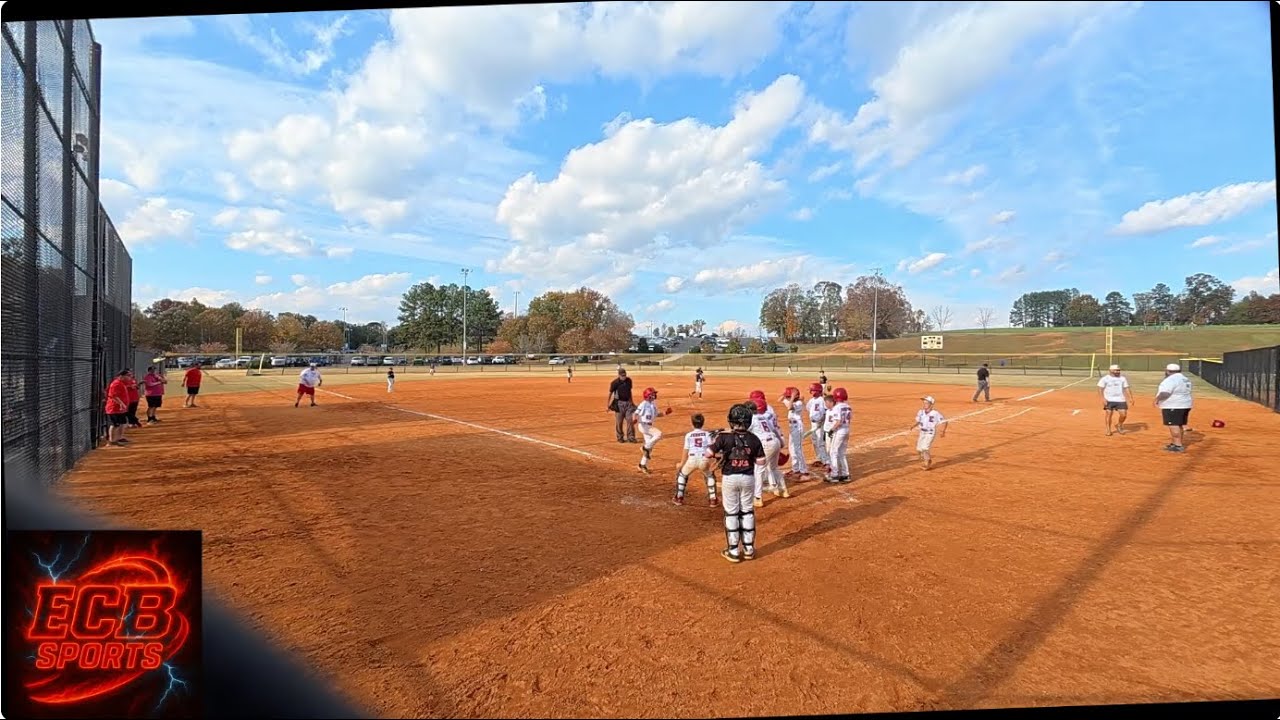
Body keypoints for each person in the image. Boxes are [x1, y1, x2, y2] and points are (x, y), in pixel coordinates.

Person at [709, 403, 767, 563]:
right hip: (748, 478)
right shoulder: (754, 438)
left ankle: (734, 550)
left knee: (732, 512)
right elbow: (761, 462)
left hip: (730, 478)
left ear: (730, 420)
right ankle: (749, 549)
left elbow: (708, 453)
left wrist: (718, 444)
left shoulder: (723, 437)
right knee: (747, 511)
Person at [748, 391, 786, 505]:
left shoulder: (753, 419)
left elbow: (744, 431)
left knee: (758, 470)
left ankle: (757, 498)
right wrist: (781, 441)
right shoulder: (764, 417)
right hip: (775, 441)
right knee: (774, 468)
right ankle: (783, 490)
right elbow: (774, 430)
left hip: (765, 444)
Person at [672, 413, 717, 506]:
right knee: (709, 476)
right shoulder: (708, 434)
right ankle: (713, 499)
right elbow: (712, 448)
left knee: (682, 475)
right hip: (704, 459)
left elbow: (686, 450)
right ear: (703, 423)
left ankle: (679, 497)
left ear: (692, 423)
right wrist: (713, 461)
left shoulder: (688, 435)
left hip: (692, 459)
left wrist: (681, 463)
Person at [1154, 363, 1193, 453]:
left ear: (1167, 371)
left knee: (1173, 425)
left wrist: (1157, 399)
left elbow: (1165, 393)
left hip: (1173, 405)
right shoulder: (1185, 379)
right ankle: (1176, 443)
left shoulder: (1170, 380)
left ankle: (1178, 445)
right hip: (1185, 404)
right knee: (1179, 424)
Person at [632, 387, 670, 473]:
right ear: (648, 395)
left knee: (650, 448)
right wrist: (634, 419)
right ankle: (644, 447)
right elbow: (636, 413)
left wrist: (665, 413)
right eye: (652, 394)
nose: (654, 395)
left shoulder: (653, 404)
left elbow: (657, 415)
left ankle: (642, 465)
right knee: (659, 434)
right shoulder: (644, 404)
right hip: (643, 426)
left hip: (649, 426)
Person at [780, 387, 811, 482]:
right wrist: (788, 395)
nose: (788, 398)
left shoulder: (799, 403)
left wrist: (793, 396)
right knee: (791, 448)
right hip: (792, 428)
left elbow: (790, 407)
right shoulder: (792, 401)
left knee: (798, 449)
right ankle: (796, 469)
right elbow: (780, 399)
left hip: (798, 427)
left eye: (789, 396)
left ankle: (804, 472)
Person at [1097, 364, 1134, 436]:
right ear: (1111, 371)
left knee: (1123, 415)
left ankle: (1119, 425)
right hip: (1109, 399)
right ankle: (1108, 430)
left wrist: (1131, 398)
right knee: (1109, 414)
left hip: (1120, 399)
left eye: (1119, 370)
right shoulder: (1105, 379)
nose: (1118, 371)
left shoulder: (1123, 378)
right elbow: (1100, 389)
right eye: (1116, 370)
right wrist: (1103, 398)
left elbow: (1127, 388)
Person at [911, 395, 947, 470]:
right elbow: (918, 421)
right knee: (919, 449)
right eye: (924, 403)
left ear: (931, 404)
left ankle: (927, 462)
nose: (924, 404)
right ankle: (926, 458)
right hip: (922, 432)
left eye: (927, 403)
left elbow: (944, 422)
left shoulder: (935, 413)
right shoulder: (920, 412)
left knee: (924, 448)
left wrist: (943, 431)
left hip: (930, 433)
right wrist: (913, 425)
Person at [826, 387, 852, 483]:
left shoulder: (837, 407)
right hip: (847, 430)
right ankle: (845, 474)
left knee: (833, 452)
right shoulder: (848, 406)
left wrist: (831, 430)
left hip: (840, 431)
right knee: (842, 453)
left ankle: (834, 475)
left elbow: (838, 422)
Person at [806, 382, 831, 472]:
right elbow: (809, 409)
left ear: (816, 391)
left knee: (820, 443)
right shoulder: (811, 400)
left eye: (812, 390)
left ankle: (826, 462)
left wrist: (822, 420)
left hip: (820, 424)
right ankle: (819, 458)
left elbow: (827, 411)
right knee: (814, 441)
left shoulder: (822, 400)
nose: (811, 392)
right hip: (813, 424)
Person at [608, 368, 636, 444]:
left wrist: (632, 402)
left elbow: (629, 391)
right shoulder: (614, 383)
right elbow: (610, 393)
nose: (624, 377)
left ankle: (631, 437)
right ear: (619, 375)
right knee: (619, 422)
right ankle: (620, 437)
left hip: (628, 403)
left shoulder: (629, 381)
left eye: (625, 375)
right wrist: (608, 404)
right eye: (622, 375)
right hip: (619, 404)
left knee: (630, 420)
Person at [104, 370, 131, 447]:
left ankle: (118, 438)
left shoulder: (121, 383)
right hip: (114, 408)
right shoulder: (115, 384)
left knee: (122, 423)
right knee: (115, 424)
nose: (129, 377)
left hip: (120, 409)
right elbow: (113, 396)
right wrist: (121, 404)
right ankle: (111, 441)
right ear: (121, 376)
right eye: (127, 375)